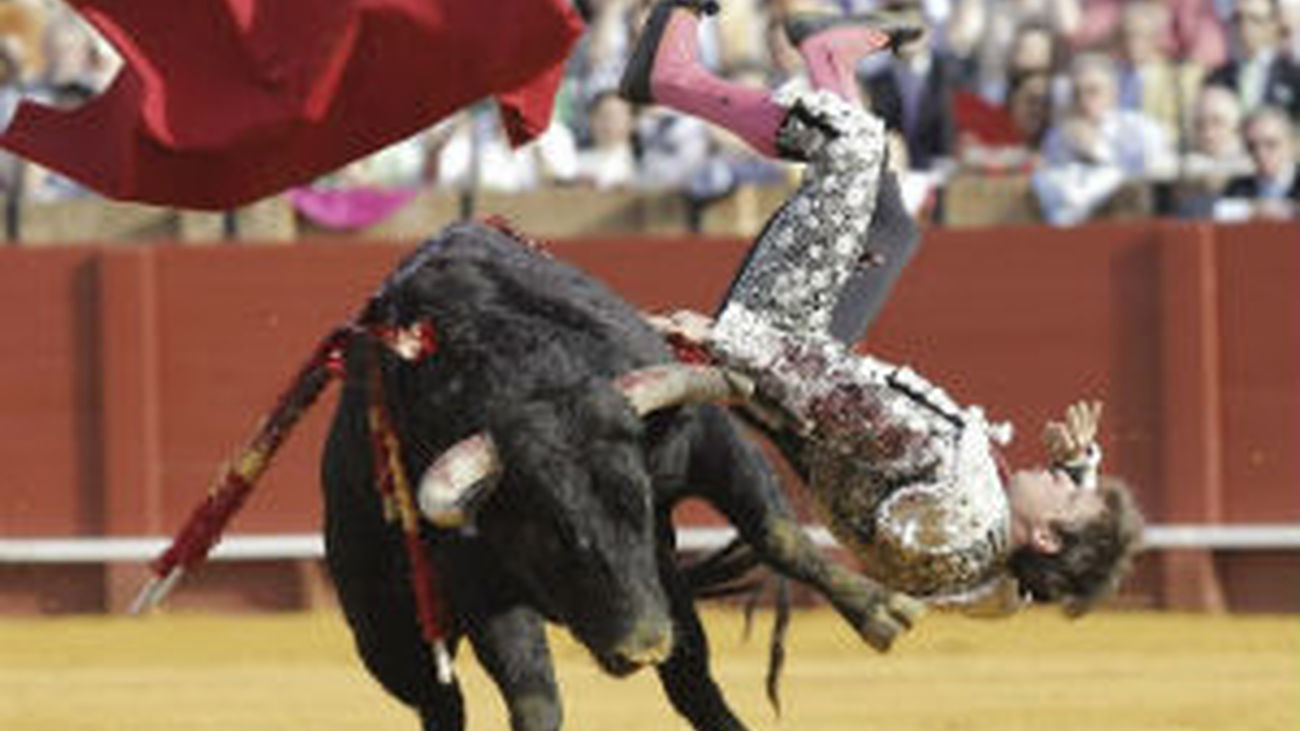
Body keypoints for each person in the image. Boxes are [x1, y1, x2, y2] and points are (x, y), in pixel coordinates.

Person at [621, 0, 1142, 614]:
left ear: (1048, 535)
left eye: (1069, 494)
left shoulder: (946, 476)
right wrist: (1078, 470)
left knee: (855, 146)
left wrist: (723, 342)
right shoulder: (988, 572)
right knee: (892, 228)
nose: (1061, 479)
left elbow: (832, 395)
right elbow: (1023, 587)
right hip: (797, 393)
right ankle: (827, 56)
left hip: (779, 347)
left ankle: (672, 75)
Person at [1204, 0, 1300, 121]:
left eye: (1254, 20)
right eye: (1238, 19)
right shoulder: (1217, 79)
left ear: (1273, 25)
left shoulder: (1293, 77)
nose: (1244, 27)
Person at [1214, 104, 1300, 220]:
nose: (1260, 153)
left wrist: (1288, 210)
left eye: (1271, 144)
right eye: (1252, 147)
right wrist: (1253, 209)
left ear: (1291, 145)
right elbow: (1217, 211)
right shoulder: (1238, 188)